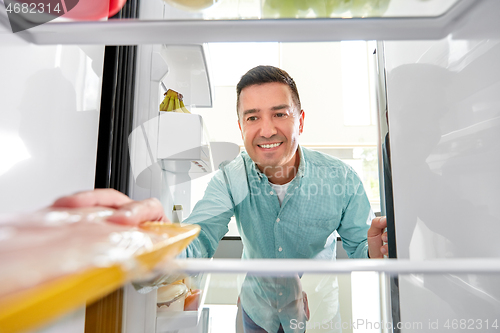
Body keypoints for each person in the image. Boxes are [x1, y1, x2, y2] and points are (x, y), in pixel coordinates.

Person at [53, 66, 388, 333]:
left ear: (300, 119)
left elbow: (362, 249)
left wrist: (377, 248)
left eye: (280, 114)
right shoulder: (231, 177)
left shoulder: (340, 178)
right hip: (257, 315)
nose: (267, 129)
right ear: (241, 126)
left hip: (319, 320)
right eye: (253, 117)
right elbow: (199, 240)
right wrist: (149, 245)